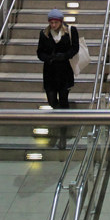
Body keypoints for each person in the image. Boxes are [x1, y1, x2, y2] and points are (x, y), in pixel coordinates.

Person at [36, 9, 80, 149]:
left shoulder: (70, 31)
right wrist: (48, 58)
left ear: (61, 22)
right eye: (51, 22)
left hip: (64, 72)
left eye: (55, 22)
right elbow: (39, 52)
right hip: (50, 72)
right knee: (52, 100)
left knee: (63, 99)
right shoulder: (44, 33)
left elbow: (75, 48)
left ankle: (63, 133)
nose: (53, 25)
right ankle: (64, 119)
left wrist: (64, 56)